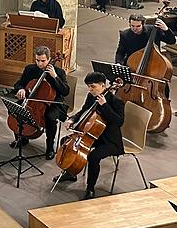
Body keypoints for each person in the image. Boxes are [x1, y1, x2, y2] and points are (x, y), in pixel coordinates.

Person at [55, 72, 125, 200]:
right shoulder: (91, 96)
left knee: (93, 156)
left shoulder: (116, 101)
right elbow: (84, 111)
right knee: (65, 141)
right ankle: (70, 172)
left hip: (109, 140)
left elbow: (119, 122)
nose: (90, 89)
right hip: (92, 134)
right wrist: (72, 119)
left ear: (103, 85)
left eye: (93, 87)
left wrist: (105, 105)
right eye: (88, 86)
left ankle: (90, 188)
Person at [10, 46, 70, 159]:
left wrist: (55, 77)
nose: (40, 64)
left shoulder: (59, 72)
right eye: (37, 60)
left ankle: (50, 147)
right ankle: (21, 138)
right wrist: (20, 89)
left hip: (54, 103)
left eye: (43, 61)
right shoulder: (30, 69)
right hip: (33, 100)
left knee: (50, 118)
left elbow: (65, 91)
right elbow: (19, 83)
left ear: (49, 59)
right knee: (16, 108)